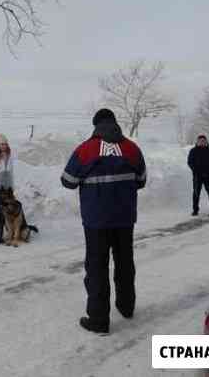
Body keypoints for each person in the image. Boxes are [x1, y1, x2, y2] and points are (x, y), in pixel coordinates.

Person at [61, 108, 146, 334]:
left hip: (96, 222)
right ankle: (126, 307)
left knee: (97, 267)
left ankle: (99, 320)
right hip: (125, 219)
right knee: (125, 262)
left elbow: (68, 181)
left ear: (96, 125)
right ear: (114, 123)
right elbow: (141, 180)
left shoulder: (85, 150)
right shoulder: (132, 148)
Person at [187, 134, 209, 216]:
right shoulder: (193, 151)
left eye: (204, 141)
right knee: (196, 193)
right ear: (197, 142)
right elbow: (190, 162)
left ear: (206, 142)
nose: (202, 142)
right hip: (197, 176)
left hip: (208, 176)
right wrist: (197, 171)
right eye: (200, 141)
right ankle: (195, 210)